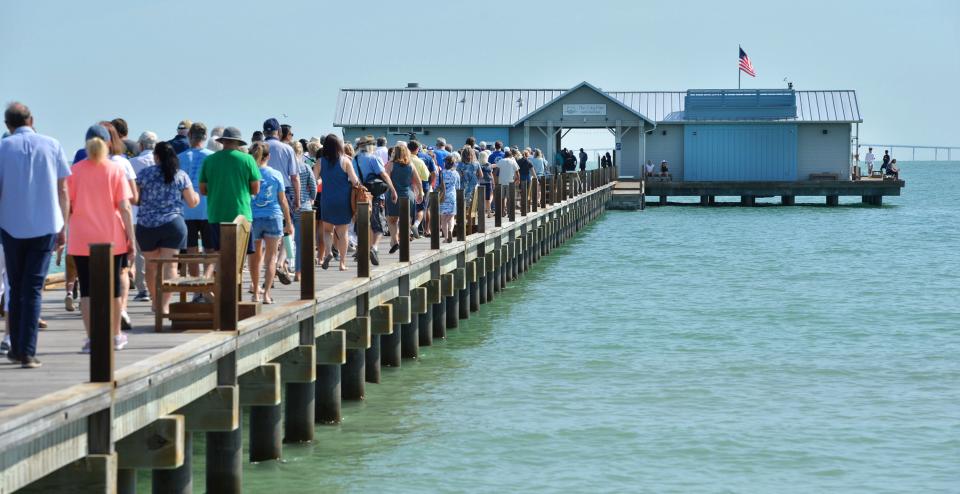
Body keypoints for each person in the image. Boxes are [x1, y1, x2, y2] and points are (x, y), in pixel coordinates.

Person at [0, 103, 70, 368]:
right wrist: (64, 226)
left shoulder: (3, 148)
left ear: (8, 125)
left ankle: (16, 347)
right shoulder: (52, 144)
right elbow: (63, 189)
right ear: (32, 120)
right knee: (32, 290)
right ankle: (27, 351)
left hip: (10, 225)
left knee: (14, 287)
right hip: (46, 225)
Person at [68, 134, 135, 353]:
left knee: (87, 290)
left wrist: (62, 232)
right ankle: (115, 335)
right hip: (112, 237)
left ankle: (91, 339)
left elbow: (68, 205)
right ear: (108, 143)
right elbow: (124, 207)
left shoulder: (74, 171)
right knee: (114, 289)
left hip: (81, 237)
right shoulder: (116, 170)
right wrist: (131, 238)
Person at [136, 142, 198, 315]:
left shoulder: (144, 174)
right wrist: (198, 198)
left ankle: (155, 303)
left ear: (156, 157)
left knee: (151, 265)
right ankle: (163, 306)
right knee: (170, 266)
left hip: (147, 225)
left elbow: (135, 199)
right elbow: (192, 202)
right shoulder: (180, 175)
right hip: (173, 224)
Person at [198, 126, 261, 253]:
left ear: (223, 141)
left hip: (216, 214)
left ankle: (222, 273)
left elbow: (203, 190)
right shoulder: (248, 159)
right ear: (238, 142)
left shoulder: (209, 160)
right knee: (240, 254)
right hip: (241, 213)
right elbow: (256, 189)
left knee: (220, 254)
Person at [248, 142, 294, 304]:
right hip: (273, 217)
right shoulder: (276, 174)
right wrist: (288, 222)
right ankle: (266, 294)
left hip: (253, 217)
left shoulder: (249, 173)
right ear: (269, 157)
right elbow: (282, 201)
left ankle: (255, 291)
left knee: (254, 257)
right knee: (271, 258)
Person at [178, 123, 214, 289]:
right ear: (205, 137)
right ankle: (206, 282)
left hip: (186, 210)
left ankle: (196, 288)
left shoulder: (180, 157)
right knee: (210, 250)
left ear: (189, 136)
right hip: (208, 209)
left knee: (191, 251)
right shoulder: (211, 157)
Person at [318, 134, 361, 271]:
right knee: (343, 233)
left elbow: (314, 180)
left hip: (327, 200)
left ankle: (328, 252)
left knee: (327, 231)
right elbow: (355, 181)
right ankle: (342, 263)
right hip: (343, 201)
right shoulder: (345, 161)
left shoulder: (320, 162)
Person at [353, 136, 398, 266]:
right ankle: (374, 248)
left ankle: (362, 250)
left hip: (359, 194)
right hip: (375, 195)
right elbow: (383, 174)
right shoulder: (374, 158)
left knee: (362, 224)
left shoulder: (354, 159)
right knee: (377, 224)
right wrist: (393, 190)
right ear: (371, 146)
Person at [128, 131, 159, 302]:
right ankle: (158, 287)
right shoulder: (159, 163)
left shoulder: (131, 163)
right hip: (158, 214)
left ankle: (143, 289)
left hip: (136, 213)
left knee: (140, 252)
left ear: (140, 145)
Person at [385, 145, 424, 253]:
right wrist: (420, 193)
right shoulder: (410, 165)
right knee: (405, 220)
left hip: (394, 195)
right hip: (408, 195)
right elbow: (418, 181)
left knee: (392, 219)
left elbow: (387, 180)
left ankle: (395, 241)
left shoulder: (390, 164)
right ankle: (403, 244)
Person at [292, 140, 317, 281]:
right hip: (304, 206)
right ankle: (299, 272)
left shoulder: (286, 168)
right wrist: (311, 198)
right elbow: (313, 188)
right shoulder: (305, 167)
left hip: (289, 206)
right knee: (303, 242)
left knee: (286, 240)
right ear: (301, 152)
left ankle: (282, 265)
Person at [406, 141, 430, 239]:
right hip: (416, 189)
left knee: (407, 212)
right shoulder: (420, 161)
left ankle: (408, 232)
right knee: (420, 210)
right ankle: (416, 225)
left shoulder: (403, 160)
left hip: (404, 189)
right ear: (417, 149)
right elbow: (426, 177)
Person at [438, 155, 460, 243]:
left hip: (443, 196)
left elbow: (438, 185)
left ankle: (446, 237)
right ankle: (451, 230)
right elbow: (458, 187)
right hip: (452, 196)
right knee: (451, 217)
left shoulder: (441, 173)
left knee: (443, 218)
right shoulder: (456, 173)